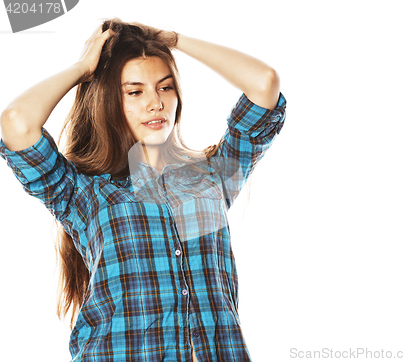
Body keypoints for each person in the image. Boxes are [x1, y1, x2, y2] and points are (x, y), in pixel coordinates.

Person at [0, 19, 286, 361]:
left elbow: (264, 84)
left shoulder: (213, 176)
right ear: (109, 100)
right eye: (135, 91)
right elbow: (17, 122)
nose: (156, 103)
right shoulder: (82, 192)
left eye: (165, 87)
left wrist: (172, 40)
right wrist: (83, 69)